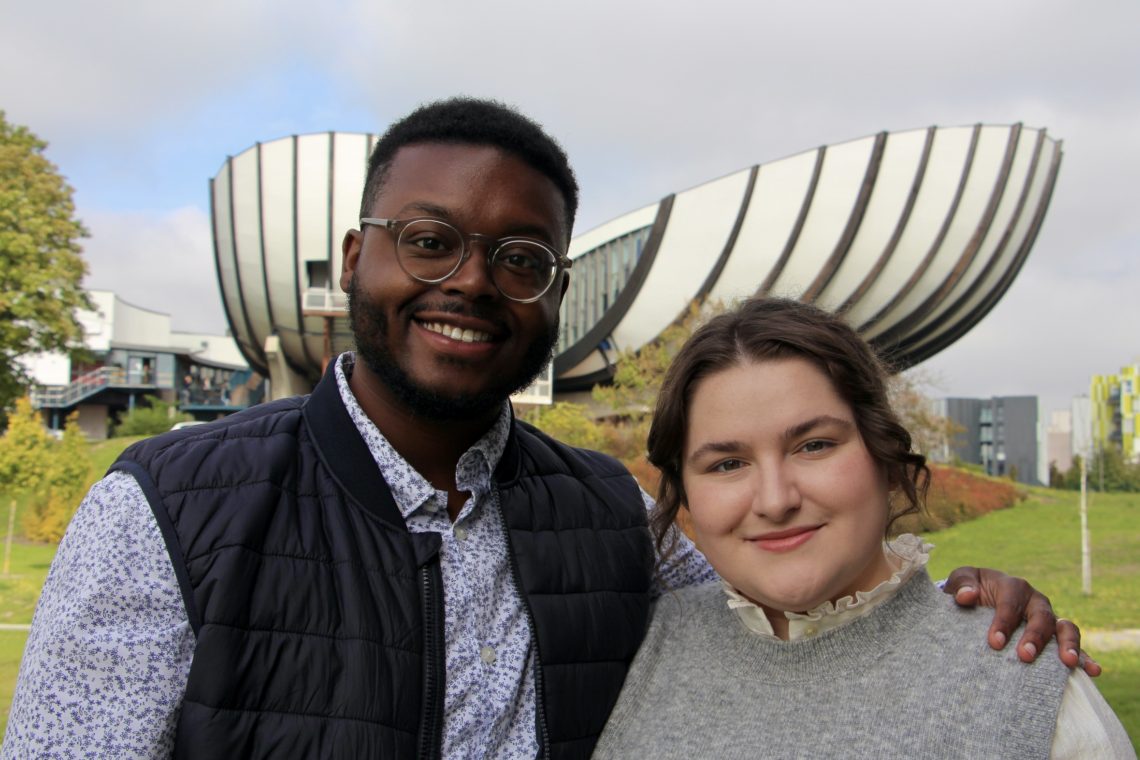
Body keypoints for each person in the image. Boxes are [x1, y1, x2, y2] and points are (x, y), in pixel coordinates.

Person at [3, 99, 1092, 760]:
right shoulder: (168, 513)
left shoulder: (613, 516)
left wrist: (968, 603)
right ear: (350, 261)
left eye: (521, 260)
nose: (471, 283)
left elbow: (798, 595)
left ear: (558, 294)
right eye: (429, 241)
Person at [594, 297, 1133, 759]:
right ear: (685, 492)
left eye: (815, 445)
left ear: (886, 454)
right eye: (727, 464)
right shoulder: (645, 640)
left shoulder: (1027, 688)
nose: (776, 500)